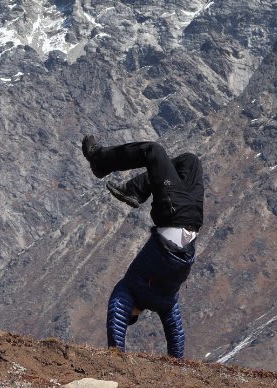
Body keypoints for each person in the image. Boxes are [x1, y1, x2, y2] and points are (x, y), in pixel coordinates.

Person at [81, 134, 205, 359]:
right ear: (132, 313)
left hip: (189, 226)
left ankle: (135, 190)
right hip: (178, 219)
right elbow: (118, 312)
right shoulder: (133, 291)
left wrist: (177, 361)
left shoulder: (164, 301)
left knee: (188, 161)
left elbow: (176, 331)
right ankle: (100, 162)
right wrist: (116, 354)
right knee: (159, 152)